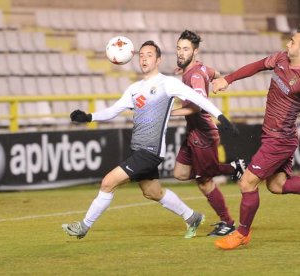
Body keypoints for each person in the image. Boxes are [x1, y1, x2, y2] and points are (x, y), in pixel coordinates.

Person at [61, 40, 238, 240]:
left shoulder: (167, 83)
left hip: (150, 151)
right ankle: (192, 217)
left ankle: (83, 226)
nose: (144, 58)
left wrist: (221, 117)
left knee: (108, 182)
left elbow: (198, 99)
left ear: (158, 60)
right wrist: (89, 117)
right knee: (152, 192)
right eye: (141, 55)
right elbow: (113, 111)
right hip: (138, 149)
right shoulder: (134, 89)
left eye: (149, 55)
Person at [212, 31, 300, 249]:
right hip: (272, 135)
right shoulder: (281, 58)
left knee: (247, 182)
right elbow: (258, 65)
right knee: (277, 186)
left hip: (280, 139)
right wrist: (228, 79)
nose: (288, 43)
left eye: (293, 41)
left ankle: (242, 233)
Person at [170, 30, 246, 236]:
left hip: (202, 134)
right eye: (178, 48)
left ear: (195, 51)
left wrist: (168, 113)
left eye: (185, 49)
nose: (180, 52)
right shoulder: (199, 68)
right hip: (193, 132)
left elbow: (195, 107)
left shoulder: (194, 75)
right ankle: (233, 168)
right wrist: (218, 81)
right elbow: (214, 73)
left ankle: (228, 223)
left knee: (204, 181)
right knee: (180, 173)